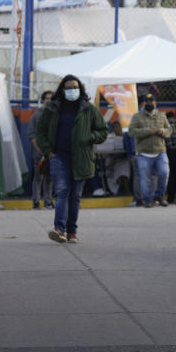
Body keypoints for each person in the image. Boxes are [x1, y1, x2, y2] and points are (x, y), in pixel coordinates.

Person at [34, 74, 107, 244]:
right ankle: (59, 229)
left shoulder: (89, 109)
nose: (71, 90)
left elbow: (103, 131)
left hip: (81, 158)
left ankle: (72, 231)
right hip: (59, 157)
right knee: (62, 191)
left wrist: (89, 137)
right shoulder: (52, 108)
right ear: (62, 90)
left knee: (75, 196)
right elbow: (40, 132)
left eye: (74, 87)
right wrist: (48, 151)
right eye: (68, 87)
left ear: (80, 89)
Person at [128, 93, 171, 208]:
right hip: (143, 153)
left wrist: (162, 131)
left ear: (155, 103)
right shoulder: (137, 117)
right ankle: (147, 200)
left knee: (164, 173)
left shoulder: (162, 116)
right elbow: (131, 131)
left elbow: (169, 130)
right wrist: (148, 131)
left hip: (160, 151)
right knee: (145, 178)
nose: (149, 103)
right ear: (143, 103)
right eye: (147, 101)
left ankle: (159, 196)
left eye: (151, 101)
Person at [29, 90, 54, 210]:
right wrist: (40, 150)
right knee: (38, 177)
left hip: (52, 153)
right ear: (43, 100)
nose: (49, 100)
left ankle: (48, 201)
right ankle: (36, 201)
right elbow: (32, 135)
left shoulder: (56, 116)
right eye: (47, 98)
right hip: (39, 153)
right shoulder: (36, 115)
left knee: (50, 178)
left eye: (51, 98)